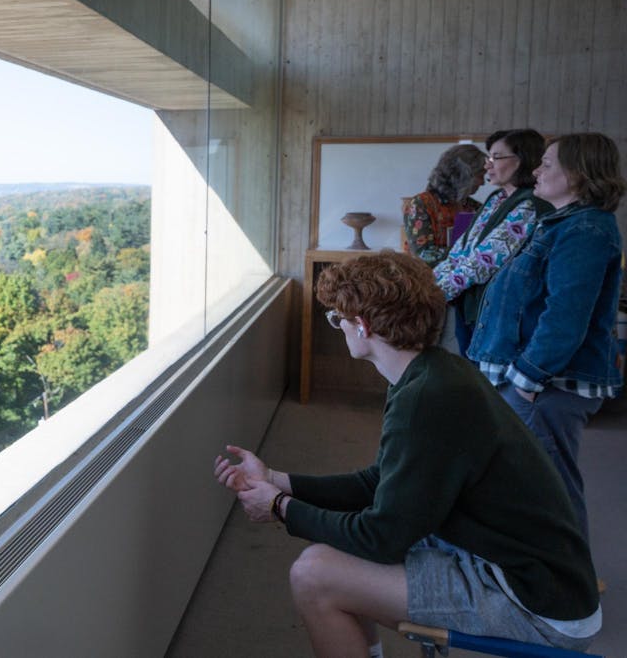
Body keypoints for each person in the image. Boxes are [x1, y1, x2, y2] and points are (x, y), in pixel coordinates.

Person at [214, 251, 600, 657]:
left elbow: (381, 538)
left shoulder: (426, 397)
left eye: (337, 319)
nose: (338, 326)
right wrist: (277, 481)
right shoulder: (434, 371)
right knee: (331, 560)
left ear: (362, 325)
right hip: (537, 576)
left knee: (314, 576)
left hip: (537, 603)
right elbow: (380, 482)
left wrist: (278, 507)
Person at [466, 132, 625, 541]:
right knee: (530, 484)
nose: (536, 170)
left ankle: (569, 576)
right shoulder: (562, 223)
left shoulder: (585, 230)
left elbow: (565, 317)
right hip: (535, 381)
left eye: (548, 164)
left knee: (551, 490)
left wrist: (526, 382)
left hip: (546, 385)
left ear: (578, 174)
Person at [433, 129, 552, 356]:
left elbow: (483, 262)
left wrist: (433, 294)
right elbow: (459, 253)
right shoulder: (496, 199)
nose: (487, 165)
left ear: (522, 160)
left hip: (497, 316)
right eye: (489, 157)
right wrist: (428, 285)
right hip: (469, 308)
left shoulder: (530, 204)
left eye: (496, 157)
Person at [402, 144, 486, 266]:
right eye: (480, 175)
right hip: (427, 275)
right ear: (462, 175)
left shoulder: (475, 207)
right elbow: (423, 254)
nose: (483, 183)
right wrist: (468, 253)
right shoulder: (421, 204)